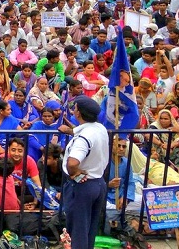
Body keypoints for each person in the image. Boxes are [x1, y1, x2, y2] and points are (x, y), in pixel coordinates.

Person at [58, 96, 109, 249]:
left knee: (78, 232)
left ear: (78, 113)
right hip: (98, 184)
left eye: (75, 109)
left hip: (81, 186)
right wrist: (70, 130)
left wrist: (75, 172)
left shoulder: (83, 137)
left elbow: (72, 162)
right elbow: (84, 132)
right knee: (90, 231)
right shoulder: (100, 128)